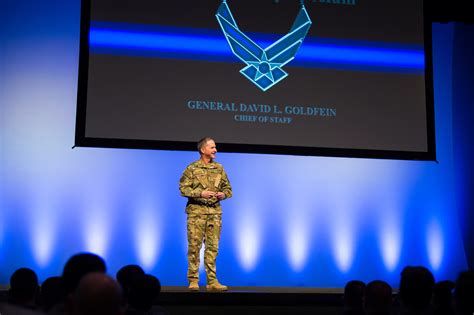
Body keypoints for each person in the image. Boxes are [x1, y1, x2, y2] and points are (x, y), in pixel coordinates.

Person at [179, 137, 232, 292]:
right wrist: (200, 193)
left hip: (215, 214)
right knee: (194, 247)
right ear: (203, 150)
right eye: (212, 147)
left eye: (215, 147)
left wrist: (224, 194)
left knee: (212, 248)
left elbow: (229, 189)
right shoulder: (192, 168)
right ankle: (193, 280)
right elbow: (183, 188)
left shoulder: (219, 168)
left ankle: (212, 281)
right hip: (197, 214)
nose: (215, 150)